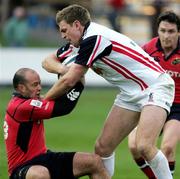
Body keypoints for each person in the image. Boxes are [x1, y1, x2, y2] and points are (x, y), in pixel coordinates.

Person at [42, 4, 175, 178]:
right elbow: (47, 61)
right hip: (130, 92)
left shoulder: (94, 38)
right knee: (102, 148)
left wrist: (44, 101)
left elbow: (70, 81)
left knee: (143, 145)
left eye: (64, 30)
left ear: (77, 25)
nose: (62, 35)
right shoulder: (80, 41)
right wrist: (63, 69)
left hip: (156, 86)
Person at [3, 68, 110, 179]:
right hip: (21, 168)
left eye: (39, 84)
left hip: (43, 157)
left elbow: (56, 98)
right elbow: (63, 107)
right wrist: (78, 84)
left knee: (94, 162)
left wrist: (73, 79)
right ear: (21, 88)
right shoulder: (21, 107)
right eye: (35, 85)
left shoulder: (26, 102)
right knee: (40, 174)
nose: (39, 88)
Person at [128, 11, 180, 178]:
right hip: (154, 102)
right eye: (163, 30)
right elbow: (134, 73)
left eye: (171, 31)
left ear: (179, 32)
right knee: (134, 147)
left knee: (168, 148)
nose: (166, 36)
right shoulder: (148, 49)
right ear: (157, 30)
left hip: (177, 107)